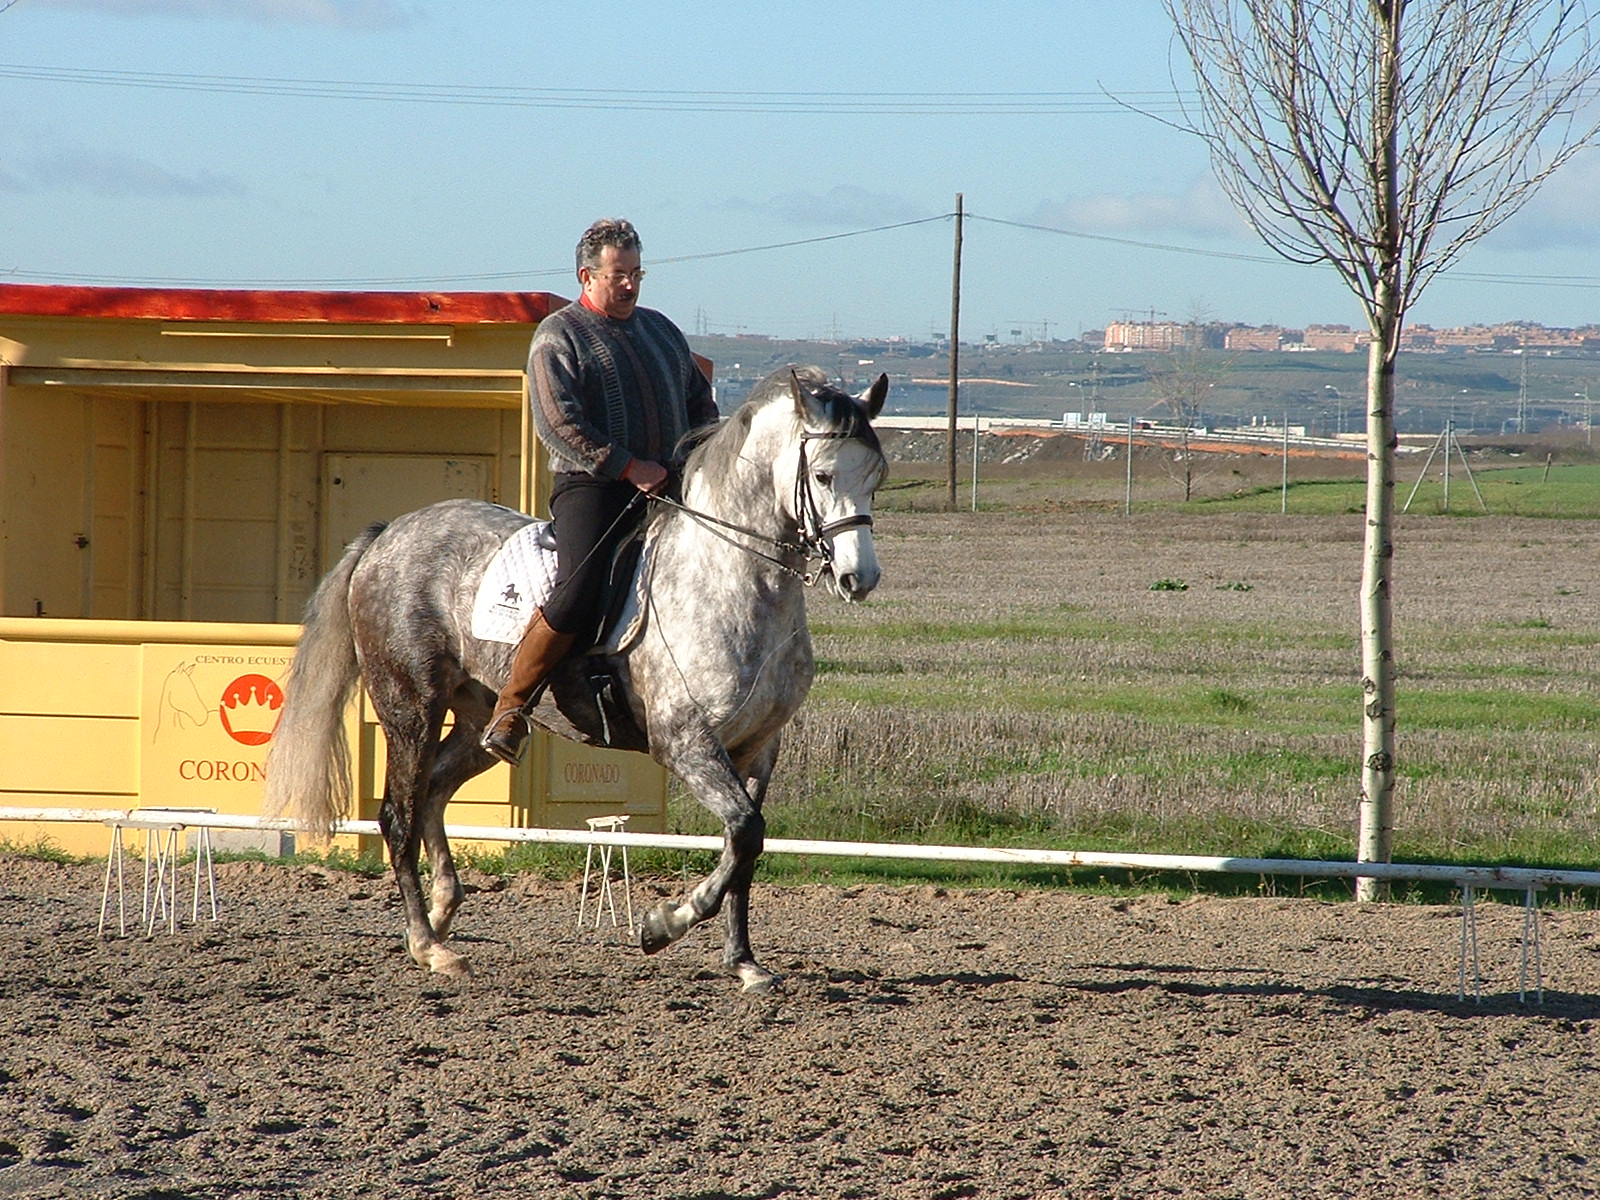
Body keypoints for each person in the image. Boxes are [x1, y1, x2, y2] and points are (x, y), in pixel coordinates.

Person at [481, 217, 719, 764]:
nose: (630, 285)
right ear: (586, 276)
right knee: (582, 584)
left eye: (637, 273)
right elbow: (558, 423)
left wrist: (697, 459)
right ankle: (512, 707)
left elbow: (700, 406)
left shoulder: (663, 332)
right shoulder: (558, 335)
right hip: (591, 485)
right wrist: (629, 466)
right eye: (619, 275)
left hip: (668, 482)